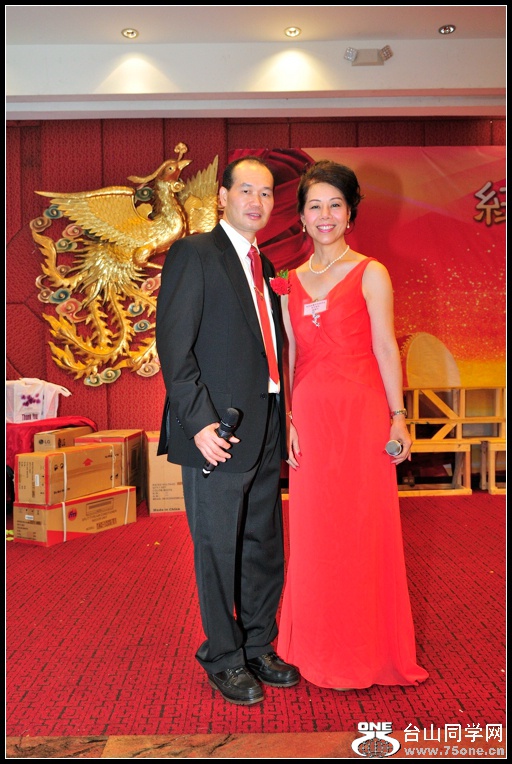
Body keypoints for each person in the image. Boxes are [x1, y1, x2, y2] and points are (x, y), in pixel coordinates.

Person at [276, 160, 429, 690]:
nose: (325, 215)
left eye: (335, 205)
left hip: (363, 417)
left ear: (350, 213)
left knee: (364, 531)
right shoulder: (289, 283)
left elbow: (385, 346)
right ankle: (314, 648)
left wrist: (398, 417)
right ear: (300, 216)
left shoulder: (371, 272)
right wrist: (286, 418)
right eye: (314, 205)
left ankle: (369, 651)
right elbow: (290, 356)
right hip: (311, 421)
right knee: (315, 535)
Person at [155, 156, 300, 706]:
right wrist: (197, 424)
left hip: (264, 425)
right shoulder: (195, 254)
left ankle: (258, 644)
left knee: (263, 545)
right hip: (216, 431)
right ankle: (223, 655)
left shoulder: (266, 264)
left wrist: (286, 416)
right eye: (246, 190)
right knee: (217, 548)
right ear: (222, 196)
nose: (256, 202)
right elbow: (175, 347)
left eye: (266, 193)